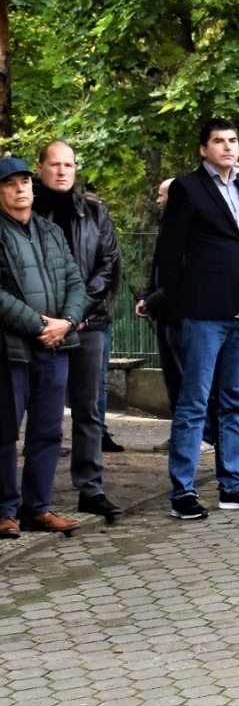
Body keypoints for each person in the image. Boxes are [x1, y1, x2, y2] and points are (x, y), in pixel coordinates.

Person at [147, 119, 239, 519]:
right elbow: (168, 255)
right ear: (204, 149)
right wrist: (186, 300)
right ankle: (183, 491)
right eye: (219, 141)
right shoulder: (188, 188)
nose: (228, 147)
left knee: (235, 403)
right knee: (194, 403)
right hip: (203, 315)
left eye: (233, 140)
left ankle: (233, 486)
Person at [35, 141, 124, 521]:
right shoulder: (26, 211)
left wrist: (75, 315)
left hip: (88, 324)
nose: (61, 171)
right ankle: (34, 498)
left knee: (88, 410)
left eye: (68, 165)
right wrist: (46, 319)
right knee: (43, 413)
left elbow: (107, 266)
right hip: (40, 326)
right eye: (55, 164)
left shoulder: (94, 212)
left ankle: (91, 489)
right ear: (40, 167)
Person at [0, 156, 87, 539]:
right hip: (12, 348)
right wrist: (38, 326)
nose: (20, 189)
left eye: (25, 182)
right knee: (5, 432)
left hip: (56, 345)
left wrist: (66, 322)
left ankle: (37, 509)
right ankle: (5, 512)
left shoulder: (50, 231)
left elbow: (75, 282)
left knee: (48, 430)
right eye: (10, 183)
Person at [135, 178, 183, 415]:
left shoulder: (186, 229)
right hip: (165, 315)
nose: (157, 200)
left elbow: (181, 277)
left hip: (180, 316)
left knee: (184, 379)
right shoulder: (167, 227)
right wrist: (146, 297)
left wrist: (152, 300)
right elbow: (156, 270)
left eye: (161, 195)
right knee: (172, 380)